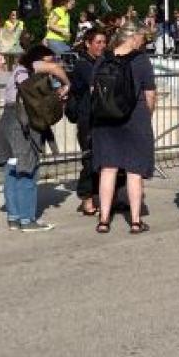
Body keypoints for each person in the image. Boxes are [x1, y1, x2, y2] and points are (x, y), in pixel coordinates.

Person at [0, 43, 68, 232]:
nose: (52, 64)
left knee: (12, 168)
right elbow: (55, 68)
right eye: (48, 60)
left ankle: (14, 217)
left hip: (8, 121)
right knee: (28, 170)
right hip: (23, 123)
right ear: (38, 59)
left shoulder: (18, 72)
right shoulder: (29, 68)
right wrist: (67, 83)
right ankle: (28, 219)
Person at [92, 23, 158, 234]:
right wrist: (147, 114)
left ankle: (103, 220)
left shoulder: (103, 58)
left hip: (105, 119)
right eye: (141, 38)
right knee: (134, 170)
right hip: (134, 118)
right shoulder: (141, 61)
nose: (143, 42)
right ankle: (136, 221)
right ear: (133, 37)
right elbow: (150, 94)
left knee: (108, 169)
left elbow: (94, 88)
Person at [67, 26, 108, 216]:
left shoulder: (102, 62)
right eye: (98, 42)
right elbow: (95, 87)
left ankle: (108, 196)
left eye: (104, 42)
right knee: (90, 159)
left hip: (102, 117)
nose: (101, 46)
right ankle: (86, 198)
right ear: (87, 44)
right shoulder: (84, 65)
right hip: (88, 118)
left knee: (106, 159)